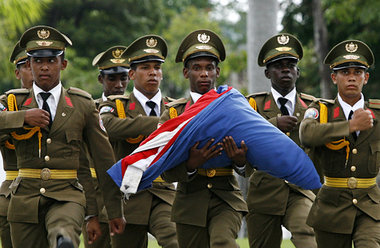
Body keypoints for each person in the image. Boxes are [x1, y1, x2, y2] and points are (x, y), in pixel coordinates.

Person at [0, 25, 125, 248]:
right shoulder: (13, 102)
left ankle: (63, 241)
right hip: (24, 199)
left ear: (63, 64)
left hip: (67, 195)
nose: (44, 67)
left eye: (51, 61)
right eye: (38, 61)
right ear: (28, 64)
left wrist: (114, 211)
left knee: (63, 230)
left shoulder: (82, 104)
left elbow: (104, 158)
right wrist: (21, 118)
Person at [160, 29, 248, 248]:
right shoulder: (174, 114)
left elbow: (255, 158)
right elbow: (165, 170)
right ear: (185, 72)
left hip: (226, 198)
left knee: (222, 242)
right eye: (197, 68)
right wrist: (190, 165)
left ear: (217, 71)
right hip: (189, 202)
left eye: (209, 68)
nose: (204, 74)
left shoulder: (236, 108)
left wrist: (240, 161)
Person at [98, 35, 179, 248]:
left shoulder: (174, 106)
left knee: (175, 241)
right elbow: (108, 127)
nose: (153, 72)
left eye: (157, 67)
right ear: (132, 74)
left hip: (164, 194)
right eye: (145, 67)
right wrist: (163, 124)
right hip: (128, 196)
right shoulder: (116, 105)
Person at [300, 39, 380, 247]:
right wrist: (350, 125)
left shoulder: (377, 113)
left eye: (357, 72)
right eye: (345, 72)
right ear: (334, 78)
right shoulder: (321, 110)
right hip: (331, 208)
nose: (352, 77)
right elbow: (306, 134)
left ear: (366, 77)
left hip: (369, 206)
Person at [245, 33, 317, 248]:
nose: (286, 69)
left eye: (291, 64)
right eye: (278, 65)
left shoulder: (314, 106)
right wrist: (274, 123)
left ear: (298, 71)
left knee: (308, 236)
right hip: (264, 192)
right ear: (267, 73)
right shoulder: (253, 106)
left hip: (301, 190)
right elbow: (244, 140)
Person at [82, 45, 130, 248]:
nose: (119, 85)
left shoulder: (134, 110)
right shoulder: (88, 109)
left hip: (128, 195)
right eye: (112, 79)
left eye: (124, 78)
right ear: (101, 79)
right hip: (96, 193)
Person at [0, 41, 34, 248]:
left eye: (39, 63)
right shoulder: (6, 103)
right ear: (18, 73)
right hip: (13, 190)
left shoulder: (64, 102)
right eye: (28, 66)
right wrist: (23, 118)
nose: (36, 70)